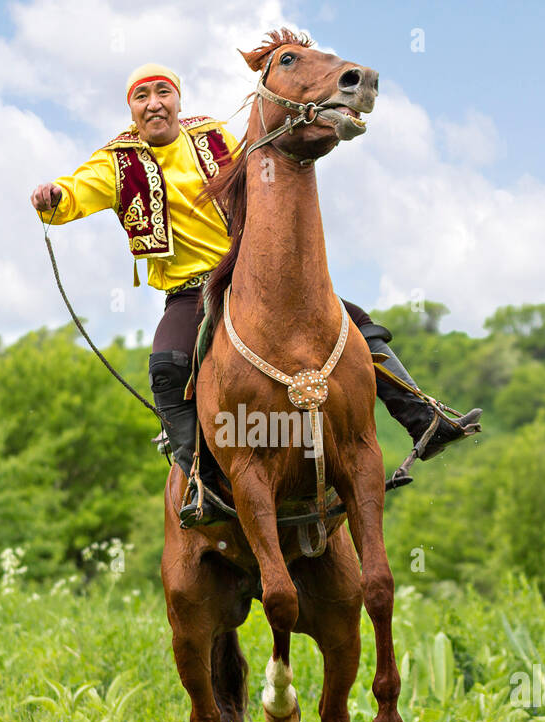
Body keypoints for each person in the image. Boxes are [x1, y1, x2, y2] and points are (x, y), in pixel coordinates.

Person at [31, 62, 480, 526]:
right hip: (191, 294)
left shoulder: (211, 135)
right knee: (167, 365)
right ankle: (200, 480)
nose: (153, 103)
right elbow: (74, 191)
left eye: (163, 92)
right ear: (131, 109)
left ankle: (423, 420)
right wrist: (53, 196)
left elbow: (264, 144)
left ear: (178, 100)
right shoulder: (115, 162)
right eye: (141, 97)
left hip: (251, 273)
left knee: (355, 323)